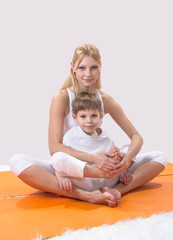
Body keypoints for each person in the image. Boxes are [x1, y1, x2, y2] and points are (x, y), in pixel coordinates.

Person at [9, 43, 167, 208]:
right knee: (17, 161)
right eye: (82, 68)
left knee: (159, 157)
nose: (88, 74)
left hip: (107, 173)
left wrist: (125, 161)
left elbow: (136, 137)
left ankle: (117, 190)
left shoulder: (105, 100)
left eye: (93, 68)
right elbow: (54, 148)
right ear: (73, 68)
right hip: (72, 171)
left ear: (100, 68)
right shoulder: (62, 97)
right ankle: (85, 196)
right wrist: (93, 158)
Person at [50, 92, 133, 197]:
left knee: (128, 149)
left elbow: (110, 163)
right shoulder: (70, 136)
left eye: (94, 116)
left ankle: (106, 189)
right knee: (58, 156)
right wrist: (62, 177)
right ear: (75, 118)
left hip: (107, 179)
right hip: (85, 181)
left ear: (100, 116)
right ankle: (97, 191)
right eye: (83, 116)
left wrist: (123, 170)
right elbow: (63, 163)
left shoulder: (106, 138)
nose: (89, 121)